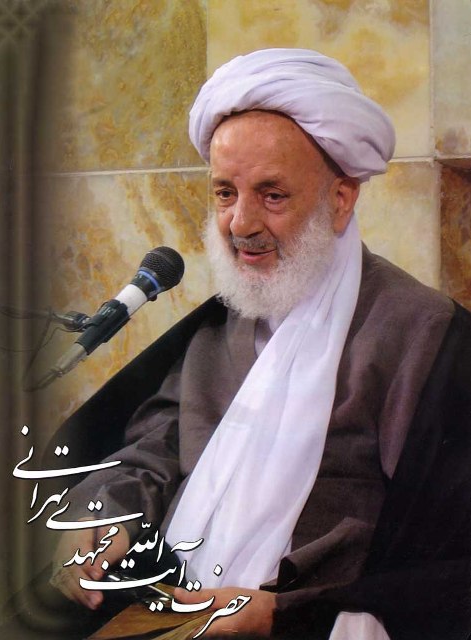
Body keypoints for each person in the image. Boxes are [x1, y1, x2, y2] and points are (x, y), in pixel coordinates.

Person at [49, 49, 471, 639]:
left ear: (341, 199)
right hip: (165, 613)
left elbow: (445, 562)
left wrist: (283, 616)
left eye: (272, 195)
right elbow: (157, 449)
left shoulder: (421, 334)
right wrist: (105, 516)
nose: (240, 224)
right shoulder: (227, 320)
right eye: (225, 193)